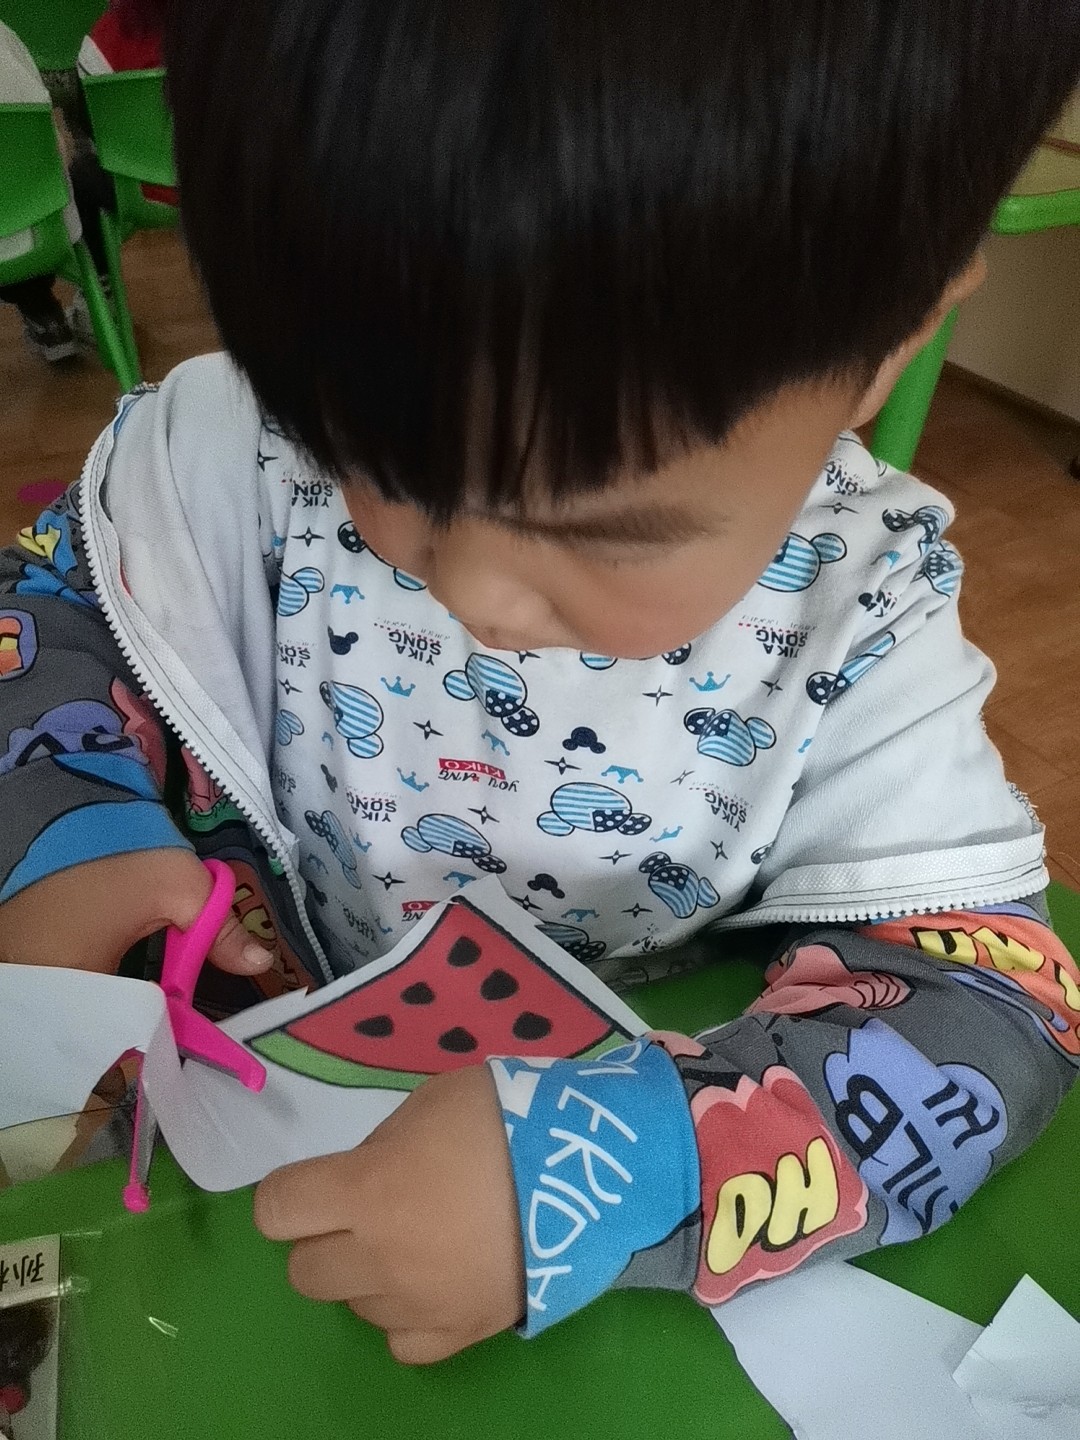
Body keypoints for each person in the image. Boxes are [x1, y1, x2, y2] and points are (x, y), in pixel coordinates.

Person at [1, 0, 1079, 1367]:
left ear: (891, 342)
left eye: (608, 533)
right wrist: (65, 821)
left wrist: (612, 1170)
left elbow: (994, 1011)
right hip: (223, 1136)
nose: (474, 593)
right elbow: (48, 610)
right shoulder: (229, 448)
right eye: (370, 463)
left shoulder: (856, 622)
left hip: (571, 1228)